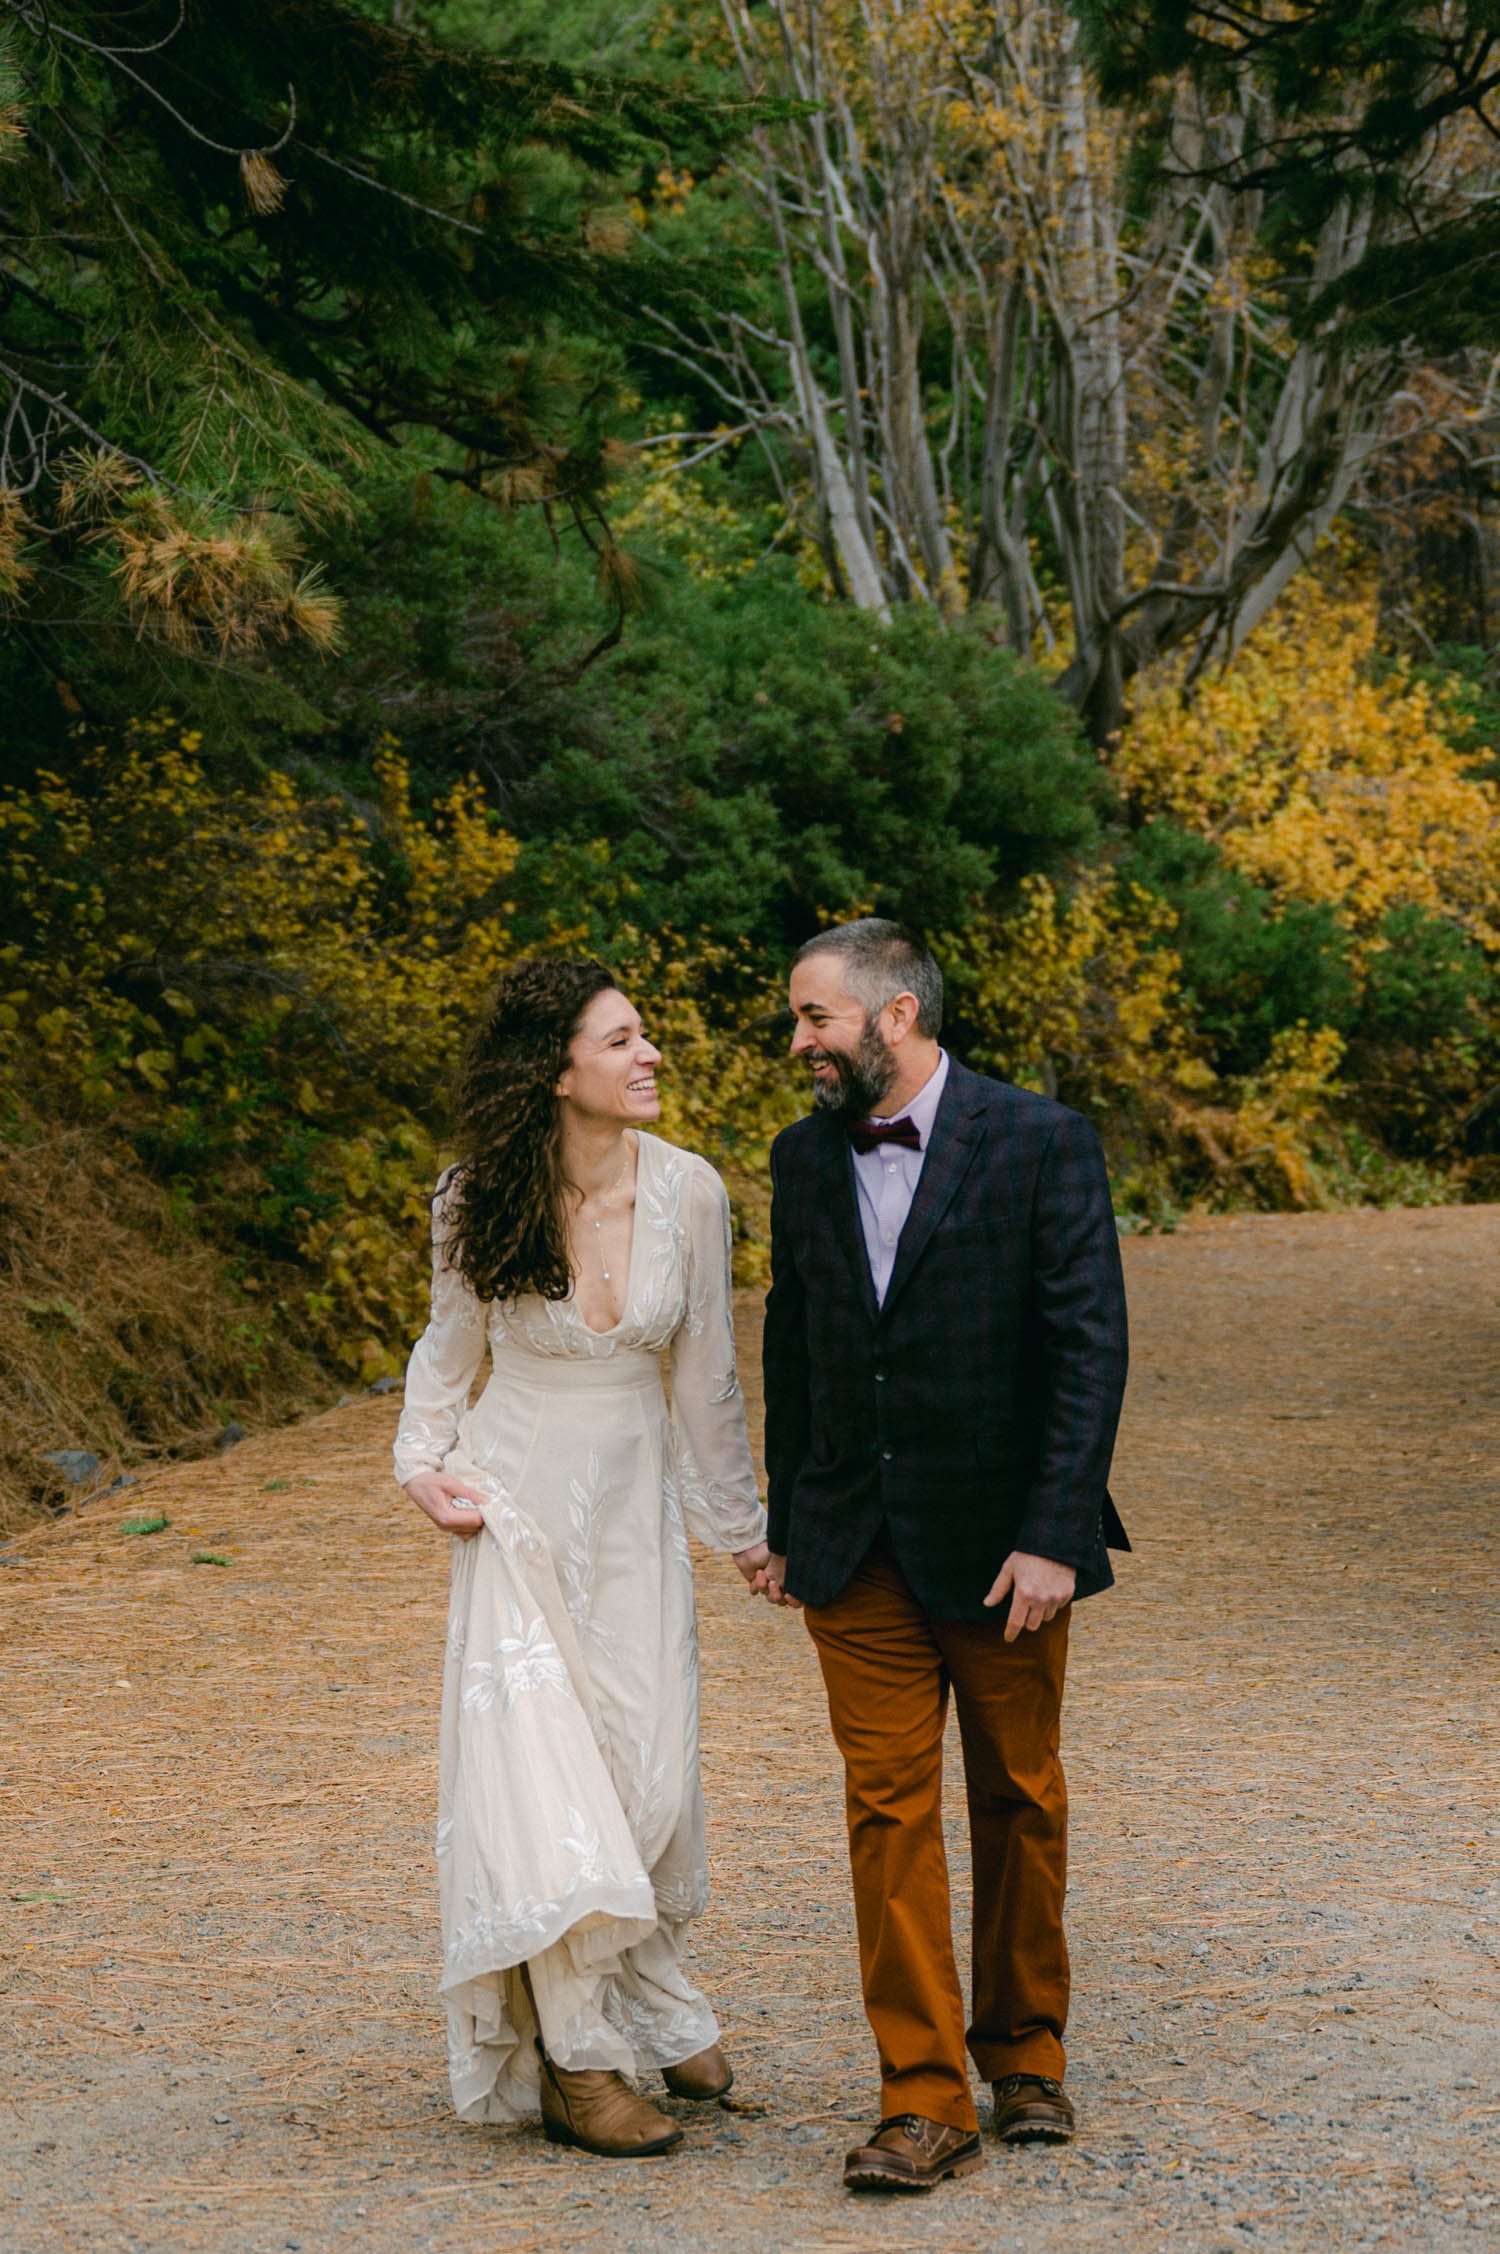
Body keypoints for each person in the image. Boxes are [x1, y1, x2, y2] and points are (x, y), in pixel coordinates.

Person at [758, 918, 1129, 2194]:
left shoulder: (1040, 1139)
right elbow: (795, 1345)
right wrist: (785, 1518)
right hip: (852, 1544)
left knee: (1018, 1795)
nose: (798, 1041)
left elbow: (1089, 1347)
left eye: (817, 1017)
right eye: (799, 1019)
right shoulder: (799, 1161)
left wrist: (1054, 1535)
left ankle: (1026, 2051)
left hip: (998, 1546)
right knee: (885, 1809)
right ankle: (922, 2095)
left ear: (895, 1015)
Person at [394, 958, 769, 2156]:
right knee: (551, 1785)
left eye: (644, 1035)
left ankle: (653, 2000)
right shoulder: (478, 1194)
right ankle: (580, 2061)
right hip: (516, 1507)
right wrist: (422, 1467)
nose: (649, 1055)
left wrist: (745, 1531)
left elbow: (706, 1377)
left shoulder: (692, 1191)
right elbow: (449, 1351)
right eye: (621, 1041)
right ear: (557, 1071)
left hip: (632, 1513)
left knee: (646, 1781)